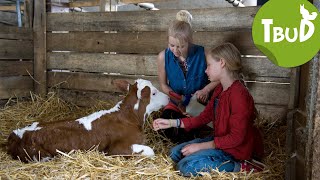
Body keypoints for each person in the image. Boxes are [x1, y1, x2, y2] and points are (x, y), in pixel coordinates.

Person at [153, 43, 264, 176]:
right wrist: (172, 123)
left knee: (186, 166)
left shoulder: (239, 96)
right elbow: (204, 118)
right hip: (220, 141)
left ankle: (241, 166)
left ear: (222, 63)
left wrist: (200, 147)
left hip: (236, 151)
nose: (206, 70)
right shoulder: (219, 89)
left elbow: (236, 138)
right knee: (175, 153)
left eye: (209, 65)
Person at [157, 10, 218, 143]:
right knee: (165, 130)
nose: (175, 51)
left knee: (197, 127)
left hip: (199, 105)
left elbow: (220, 77)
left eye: (181, 46)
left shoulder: (204, 53)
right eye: (171, 45)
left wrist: (205, 90)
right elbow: (163, 85)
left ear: (190, 41)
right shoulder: (163, 56)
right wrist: (180, 101)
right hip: (176, 104)